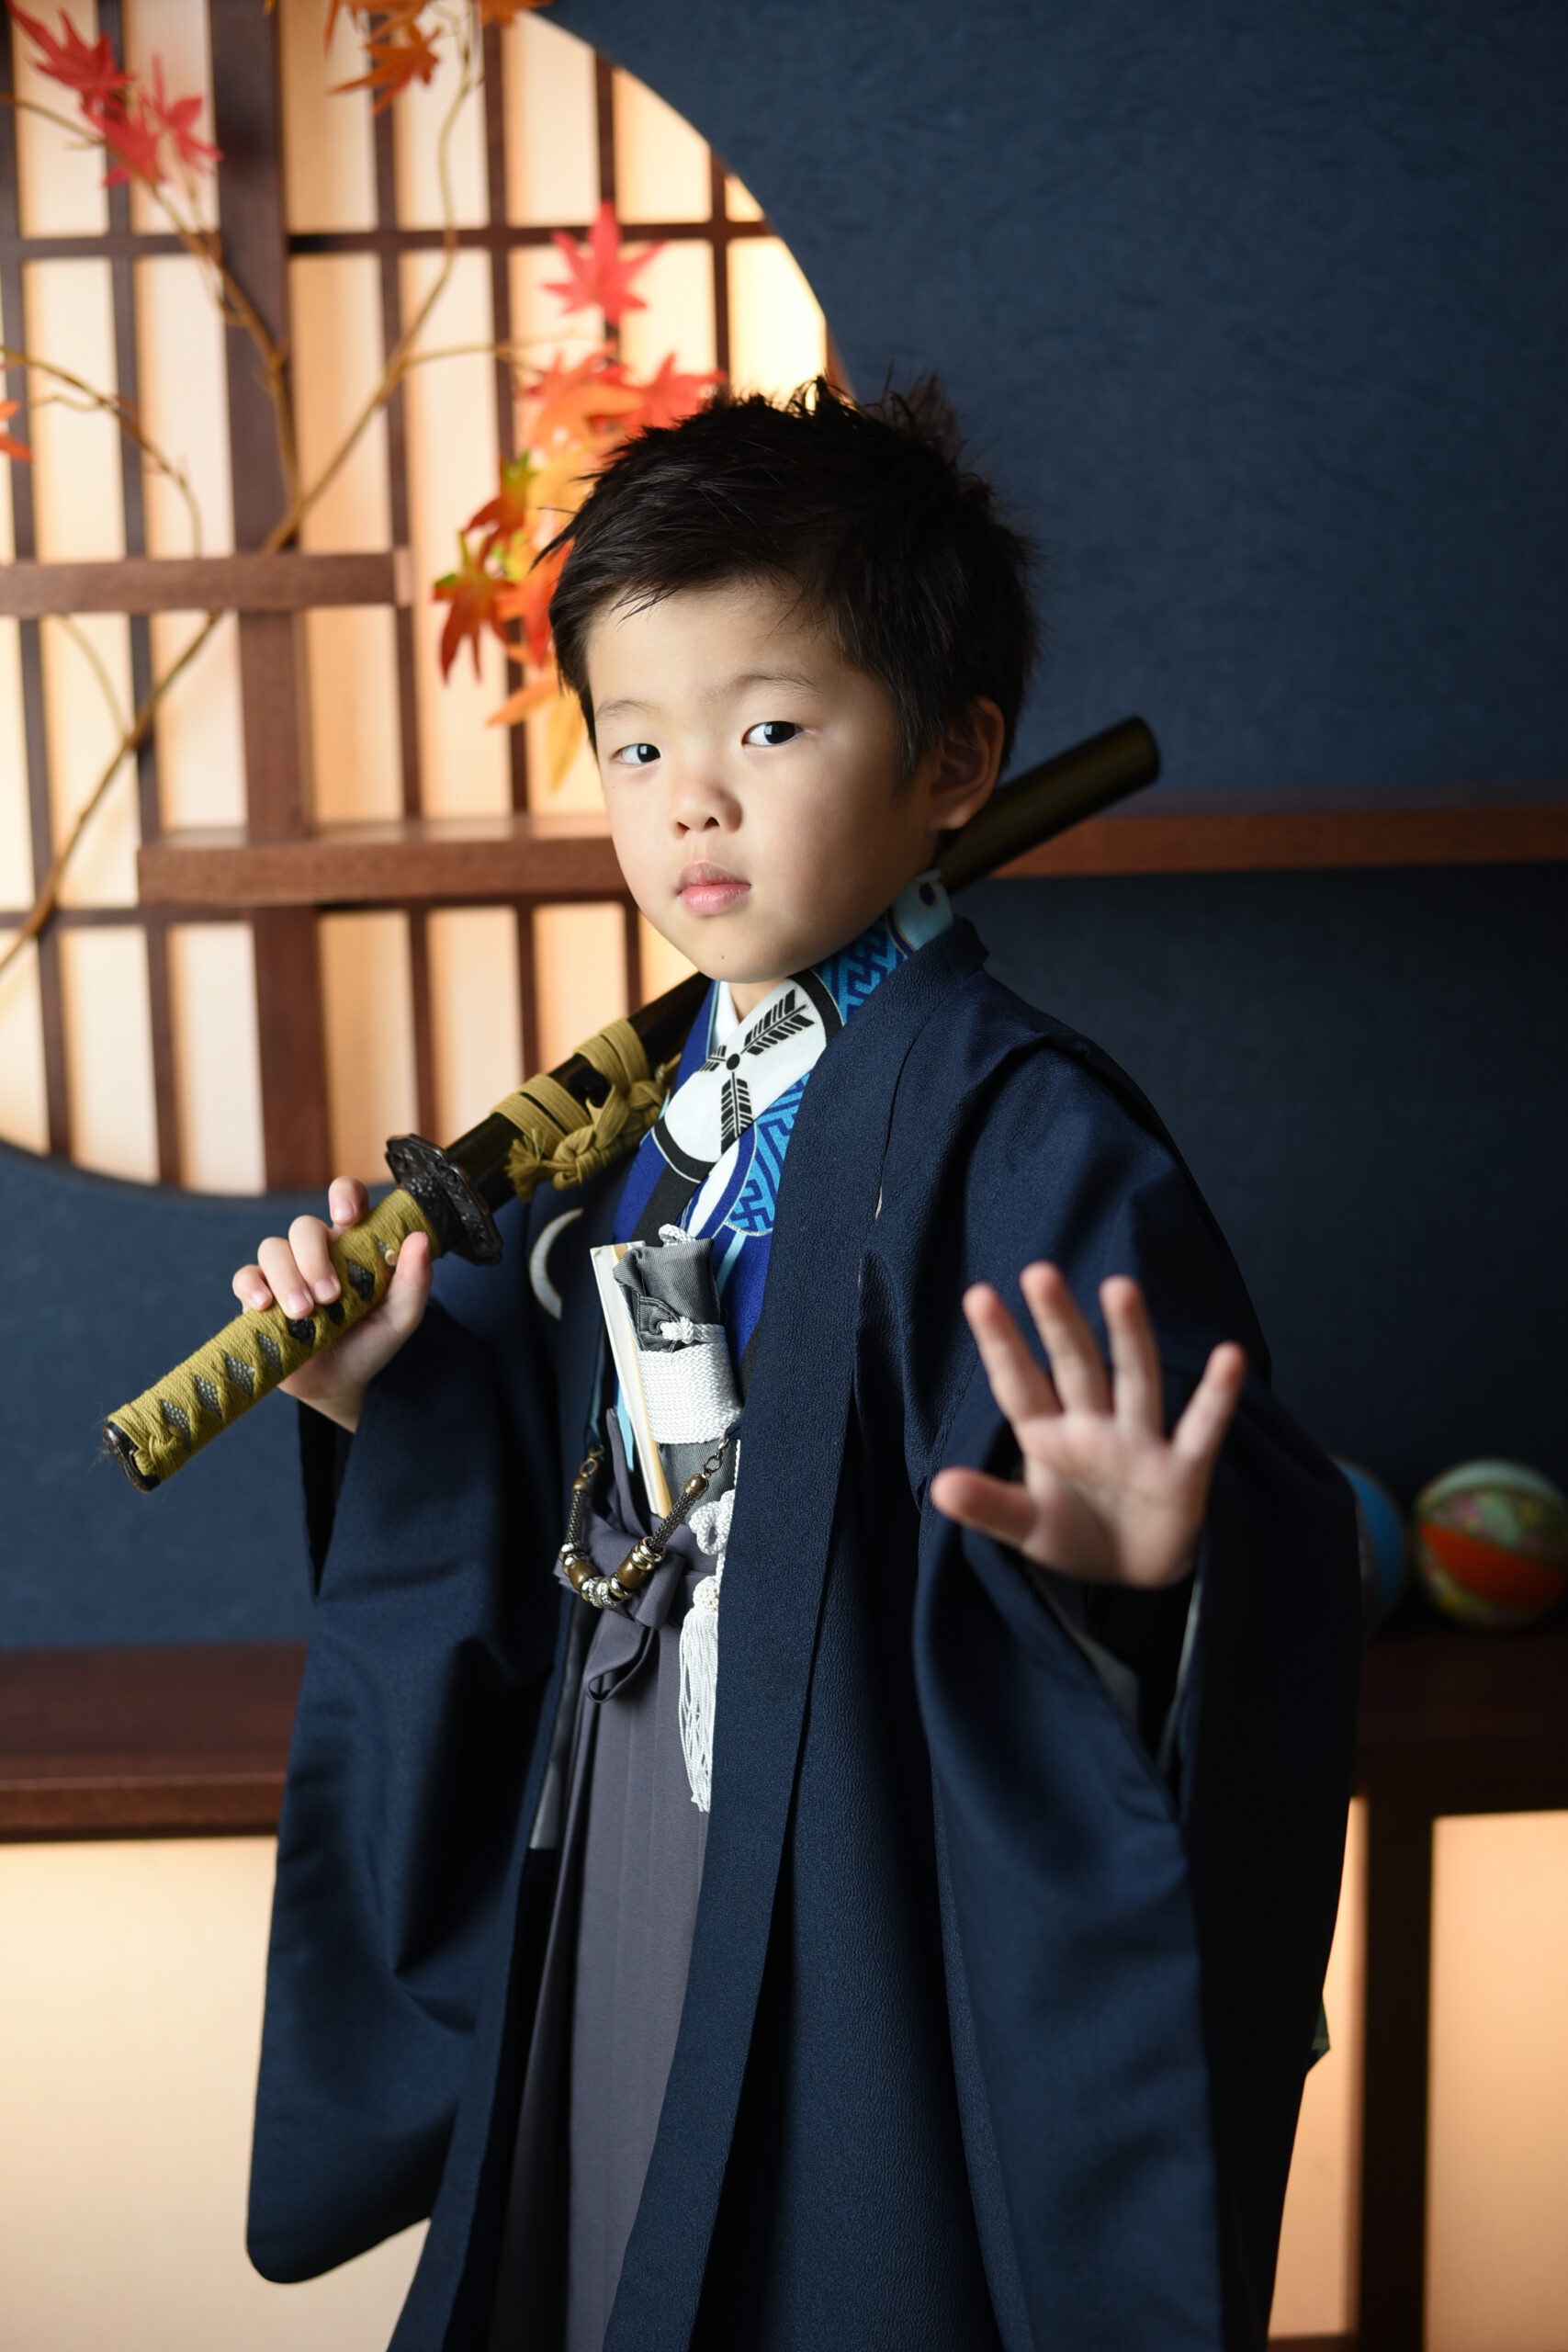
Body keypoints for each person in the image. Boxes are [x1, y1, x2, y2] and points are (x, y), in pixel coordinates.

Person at [240, 382, 1360, 2352]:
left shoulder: (1032, 1133)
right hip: (627, 1809)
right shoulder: (646, 1124)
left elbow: (1203, 1524)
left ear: (955, 758)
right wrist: (383, 1405)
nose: (694, 799)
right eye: (637, 742)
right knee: (597, 2234)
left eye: (766, 728)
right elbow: (569, 1508)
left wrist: (1126, 1588)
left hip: (848, 1865)